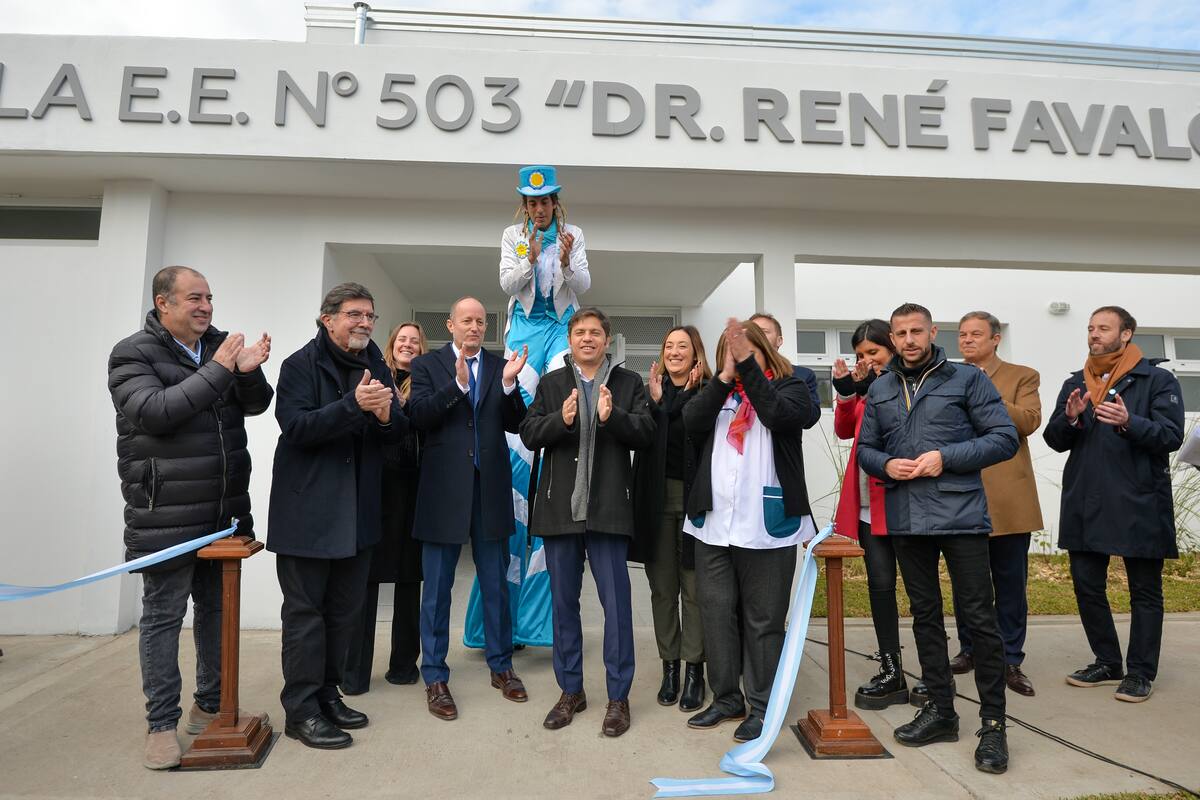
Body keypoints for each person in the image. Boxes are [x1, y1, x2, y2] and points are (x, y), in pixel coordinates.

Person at [109, 266, 272, 769]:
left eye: (209, 299)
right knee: (162, 618)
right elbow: (155, 412)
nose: (206, 307)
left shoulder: (219, 346)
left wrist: (246, 371)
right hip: (166, 514)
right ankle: (160, 724)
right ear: (164, 303)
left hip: (222, 511)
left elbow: (258, 405)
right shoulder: (132, 353)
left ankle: (207, 706)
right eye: (194, 298)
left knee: (216, 614)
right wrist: (222, 369)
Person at [857, 302, 1018, 774]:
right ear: (892, 337)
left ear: (932, 332)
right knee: (925, 617)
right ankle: (942, 712)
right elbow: (866, 447)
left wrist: (945, 457)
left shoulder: (967, 379)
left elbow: (1003, 437)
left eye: (916, 331)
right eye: (901, 332)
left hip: (961, 515)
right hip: (907, 518)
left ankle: (993, 724)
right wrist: (885, 464)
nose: (908, 340)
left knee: (979, 619)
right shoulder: (881, 387)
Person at [267, 282, 404, 750]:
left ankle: (327, 696)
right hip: (308, 515)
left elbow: (396, 435)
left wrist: (386, 418)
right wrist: (354, 406)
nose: (364, 322)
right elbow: (297, 427)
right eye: (354, 314)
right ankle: (301, 711)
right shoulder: (298, 366)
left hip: (358, 516)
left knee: (343, 614)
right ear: (327, 320)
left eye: (370, 315)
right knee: (306, 617)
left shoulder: (376, 365)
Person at [466, 165, 592, 653]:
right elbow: (506, 284)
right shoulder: (512, 236)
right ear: (525, 205)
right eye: (532, 203)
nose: (539, 209)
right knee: (519, 426)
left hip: (559, 327)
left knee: (565, 394)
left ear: (556, 202)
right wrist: (531, 258)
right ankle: (503, 613)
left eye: (546, 202)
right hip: (523, 331)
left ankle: (541, 619)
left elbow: (582, 281)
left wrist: (561, 260)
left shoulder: (574, 235)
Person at [519, 307, 655, 737]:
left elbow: (646, 433)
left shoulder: (628, 383)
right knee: (563, 606)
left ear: (607, 340)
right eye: (580, 332)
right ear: (571, 340)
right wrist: (562, 420)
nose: (587, 339)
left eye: (595, 332)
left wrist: (612, 417)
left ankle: (618, 697)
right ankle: (570, 691)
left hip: (610, 511)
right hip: (560, 511)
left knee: (617, 608)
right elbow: (529, 433)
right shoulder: (551, 383)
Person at [683, 318, 816, 744]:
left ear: (763, 351)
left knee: (763, 619)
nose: (738, 360)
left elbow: (779, 415)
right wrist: (724, 376)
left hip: (767, 527)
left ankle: (761, 704)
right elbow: (691, 421)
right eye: (731, 352)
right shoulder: (718, 392)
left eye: (745, 352)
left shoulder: (792, 387)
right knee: (716, 612)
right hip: (715, 525)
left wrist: (749, 370)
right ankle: (726, 697)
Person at [1043, 306, 1184, 703]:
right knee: (1087, 586)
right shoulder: (1077, 382)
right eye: (1090, 328)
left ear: (1126, 334)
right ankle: (1107, 661)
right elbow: (1055, 439)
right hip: (1086, 499)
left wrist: (1128, 422)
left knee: (1144, 590)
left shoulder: (1156, 379)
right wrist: (1070, 419)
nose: (1094, 334)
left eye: (1103, 328)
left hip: (1138, 497)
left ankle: (1140, 672)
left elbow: (1170, 435)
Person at [408, 297, 530, 721]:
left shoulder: (500, 367)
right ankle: (436, 675)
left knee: (496, 584)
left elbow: (516, 423)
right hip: (443, 493)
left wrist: (512, 386)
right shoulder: (426, 367)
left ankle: (502, 667)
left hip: (490, 490)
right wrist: (457, 387)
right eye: (467, 321)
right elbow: (418, 417)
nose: (474, 327)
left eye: (480, 321)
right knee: (438, 588)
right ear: (451, 325)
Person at [950, 311, 1043, 697]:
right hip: (960, 494)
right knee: (966, 583)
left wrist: (986, 391)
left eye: (976, 334)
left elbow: (1029, 421)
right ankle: (970, 649)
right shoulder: (949, 376)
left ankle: (1009, 659)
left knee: (1009, 582)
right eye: (962, 334)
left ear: (995, 339)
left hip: (1007, 496)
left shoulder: (1022, 375)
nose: (968, 340)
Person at [343, 322, 428, 694]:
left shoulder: (429, 382)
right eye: (402, 340)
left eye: (415, 341)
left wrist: (407, 408)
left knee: (410, 581)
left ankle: (404, 666)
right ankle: (355, 673)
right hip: (375, 490)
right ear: (392, 346)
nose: (408, 345)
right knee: (365, 581)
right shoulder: (372, 376)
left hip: (413, 491)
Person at [831, 319, 910, 710]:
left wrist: (871, 386)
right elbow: (846, 431)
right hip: (867, 505)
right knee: (880, 587)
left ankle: (933, 672)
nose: (866, 360)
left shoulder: (905, 385)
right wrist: (849, 393)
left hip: (904, 503)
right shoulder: (867, 389)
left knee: (920, 590)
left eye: (874, 353)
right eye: (860, 354)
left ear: (893, 348)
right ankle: (892, 670)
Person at [631, 325, 711, 712]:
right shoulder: (650, 394)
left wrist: (678, 401)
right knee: (663, 588)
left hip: (696, 501)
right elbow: (644, 439)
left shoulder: (710, 392)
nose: (675, 351)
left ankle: (695, 669)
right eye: (669, 346)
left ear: (696, 353)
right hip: (657, 499)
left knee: (694, 589)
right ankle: (670, 668)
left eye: (683, 346)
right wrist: (658, 402)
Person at [749, 312, 822, 429]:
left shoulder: (800, 375)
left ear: (779, 340)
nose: (757, 337)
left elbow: (811, 418)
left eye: (763, 332)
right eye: (752, 333)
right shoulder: (737, 375)